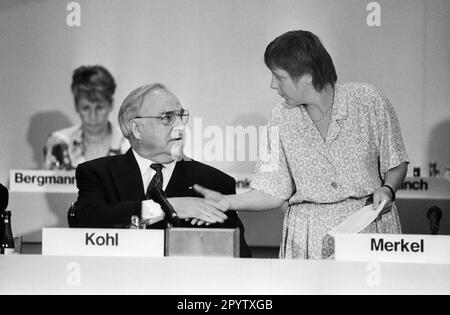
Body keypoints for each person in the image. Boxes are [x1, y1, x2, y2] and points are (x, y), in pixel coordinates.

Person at [194, 30, 409, 259]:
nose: (272, 85)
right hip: (308, 240)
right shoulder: (279, 117)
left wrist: (388, 189)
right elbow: (271, 191)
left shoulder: (368, 100)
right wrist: (227, 202)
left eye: (279, 77)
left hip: (367, 230)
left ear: (307, 75)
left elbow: (395, 161)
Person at [74, 83, 251, 257]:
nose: (180, 125)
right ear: (137, 129)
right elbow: (85, 221)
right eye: (167, 117)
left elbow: (238, 256)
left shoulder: (213, 182)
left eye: (181, 116)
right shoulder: (98, 173)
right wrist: (164, 208)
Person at [43, 65, 129, 170]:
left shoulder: (130, 143)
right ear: (76, 106)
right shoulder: (60, 142)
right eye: (86, 108)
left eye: (99, 107)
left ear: (110, 105)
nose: (93, 116)